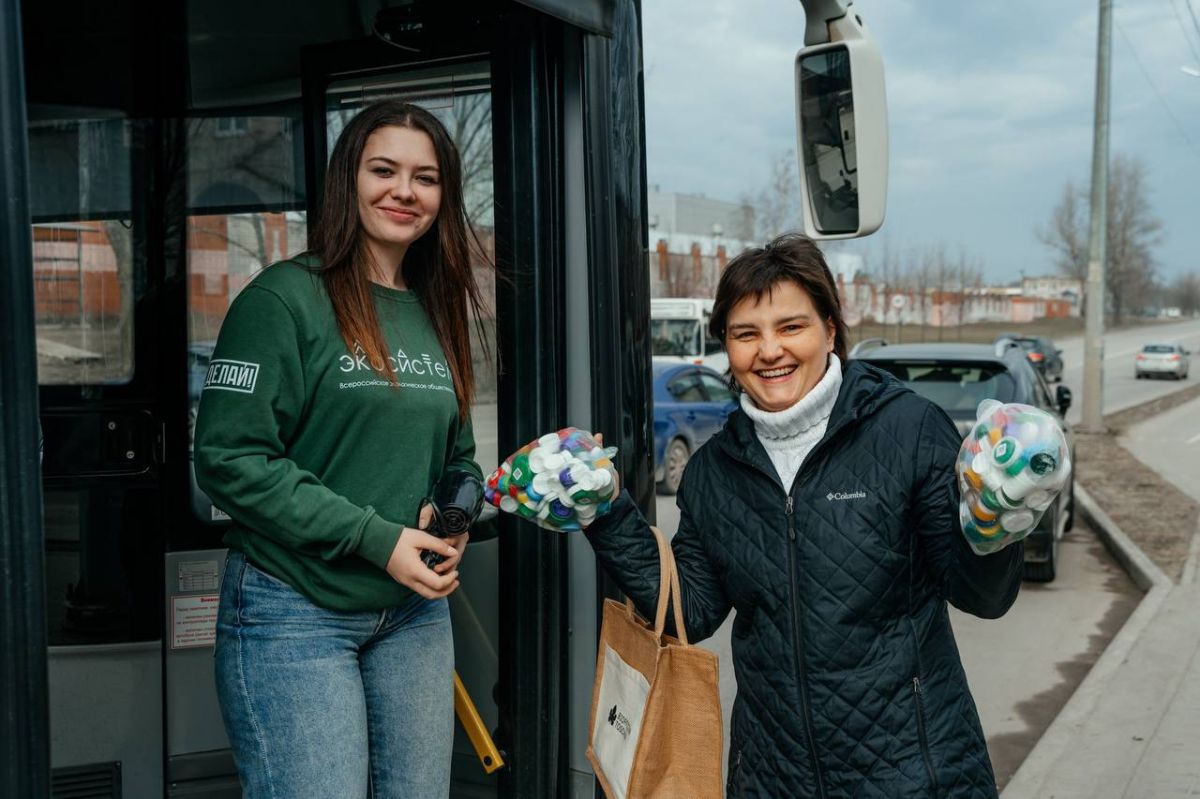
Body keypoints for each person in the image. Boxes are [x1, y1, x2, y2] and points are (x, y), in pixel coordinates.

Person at [584, 233, 1023, 798]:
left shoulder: (908, 430)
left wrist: (998, 519)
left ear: (830, 330)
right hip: (772, 778)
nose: (769, 351)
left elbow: (983, 597)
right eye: (747, 334)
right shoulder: (714, 471)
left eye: (791, 327)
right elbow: (690, 613)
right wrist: (605, 511)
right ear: (727, 346)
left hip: (916, 775)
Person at [194, 100, 489, 798]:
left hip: (413, 613)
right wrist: (374, 535)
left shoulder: (435, 306)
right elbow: (229, 461)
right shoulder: (284, 300)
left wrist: (456, 514)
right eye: (383, 170)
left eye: (426, 177)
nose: (404, 192)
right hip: (292, 609)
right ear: (347, 180)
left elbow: (461, 455)